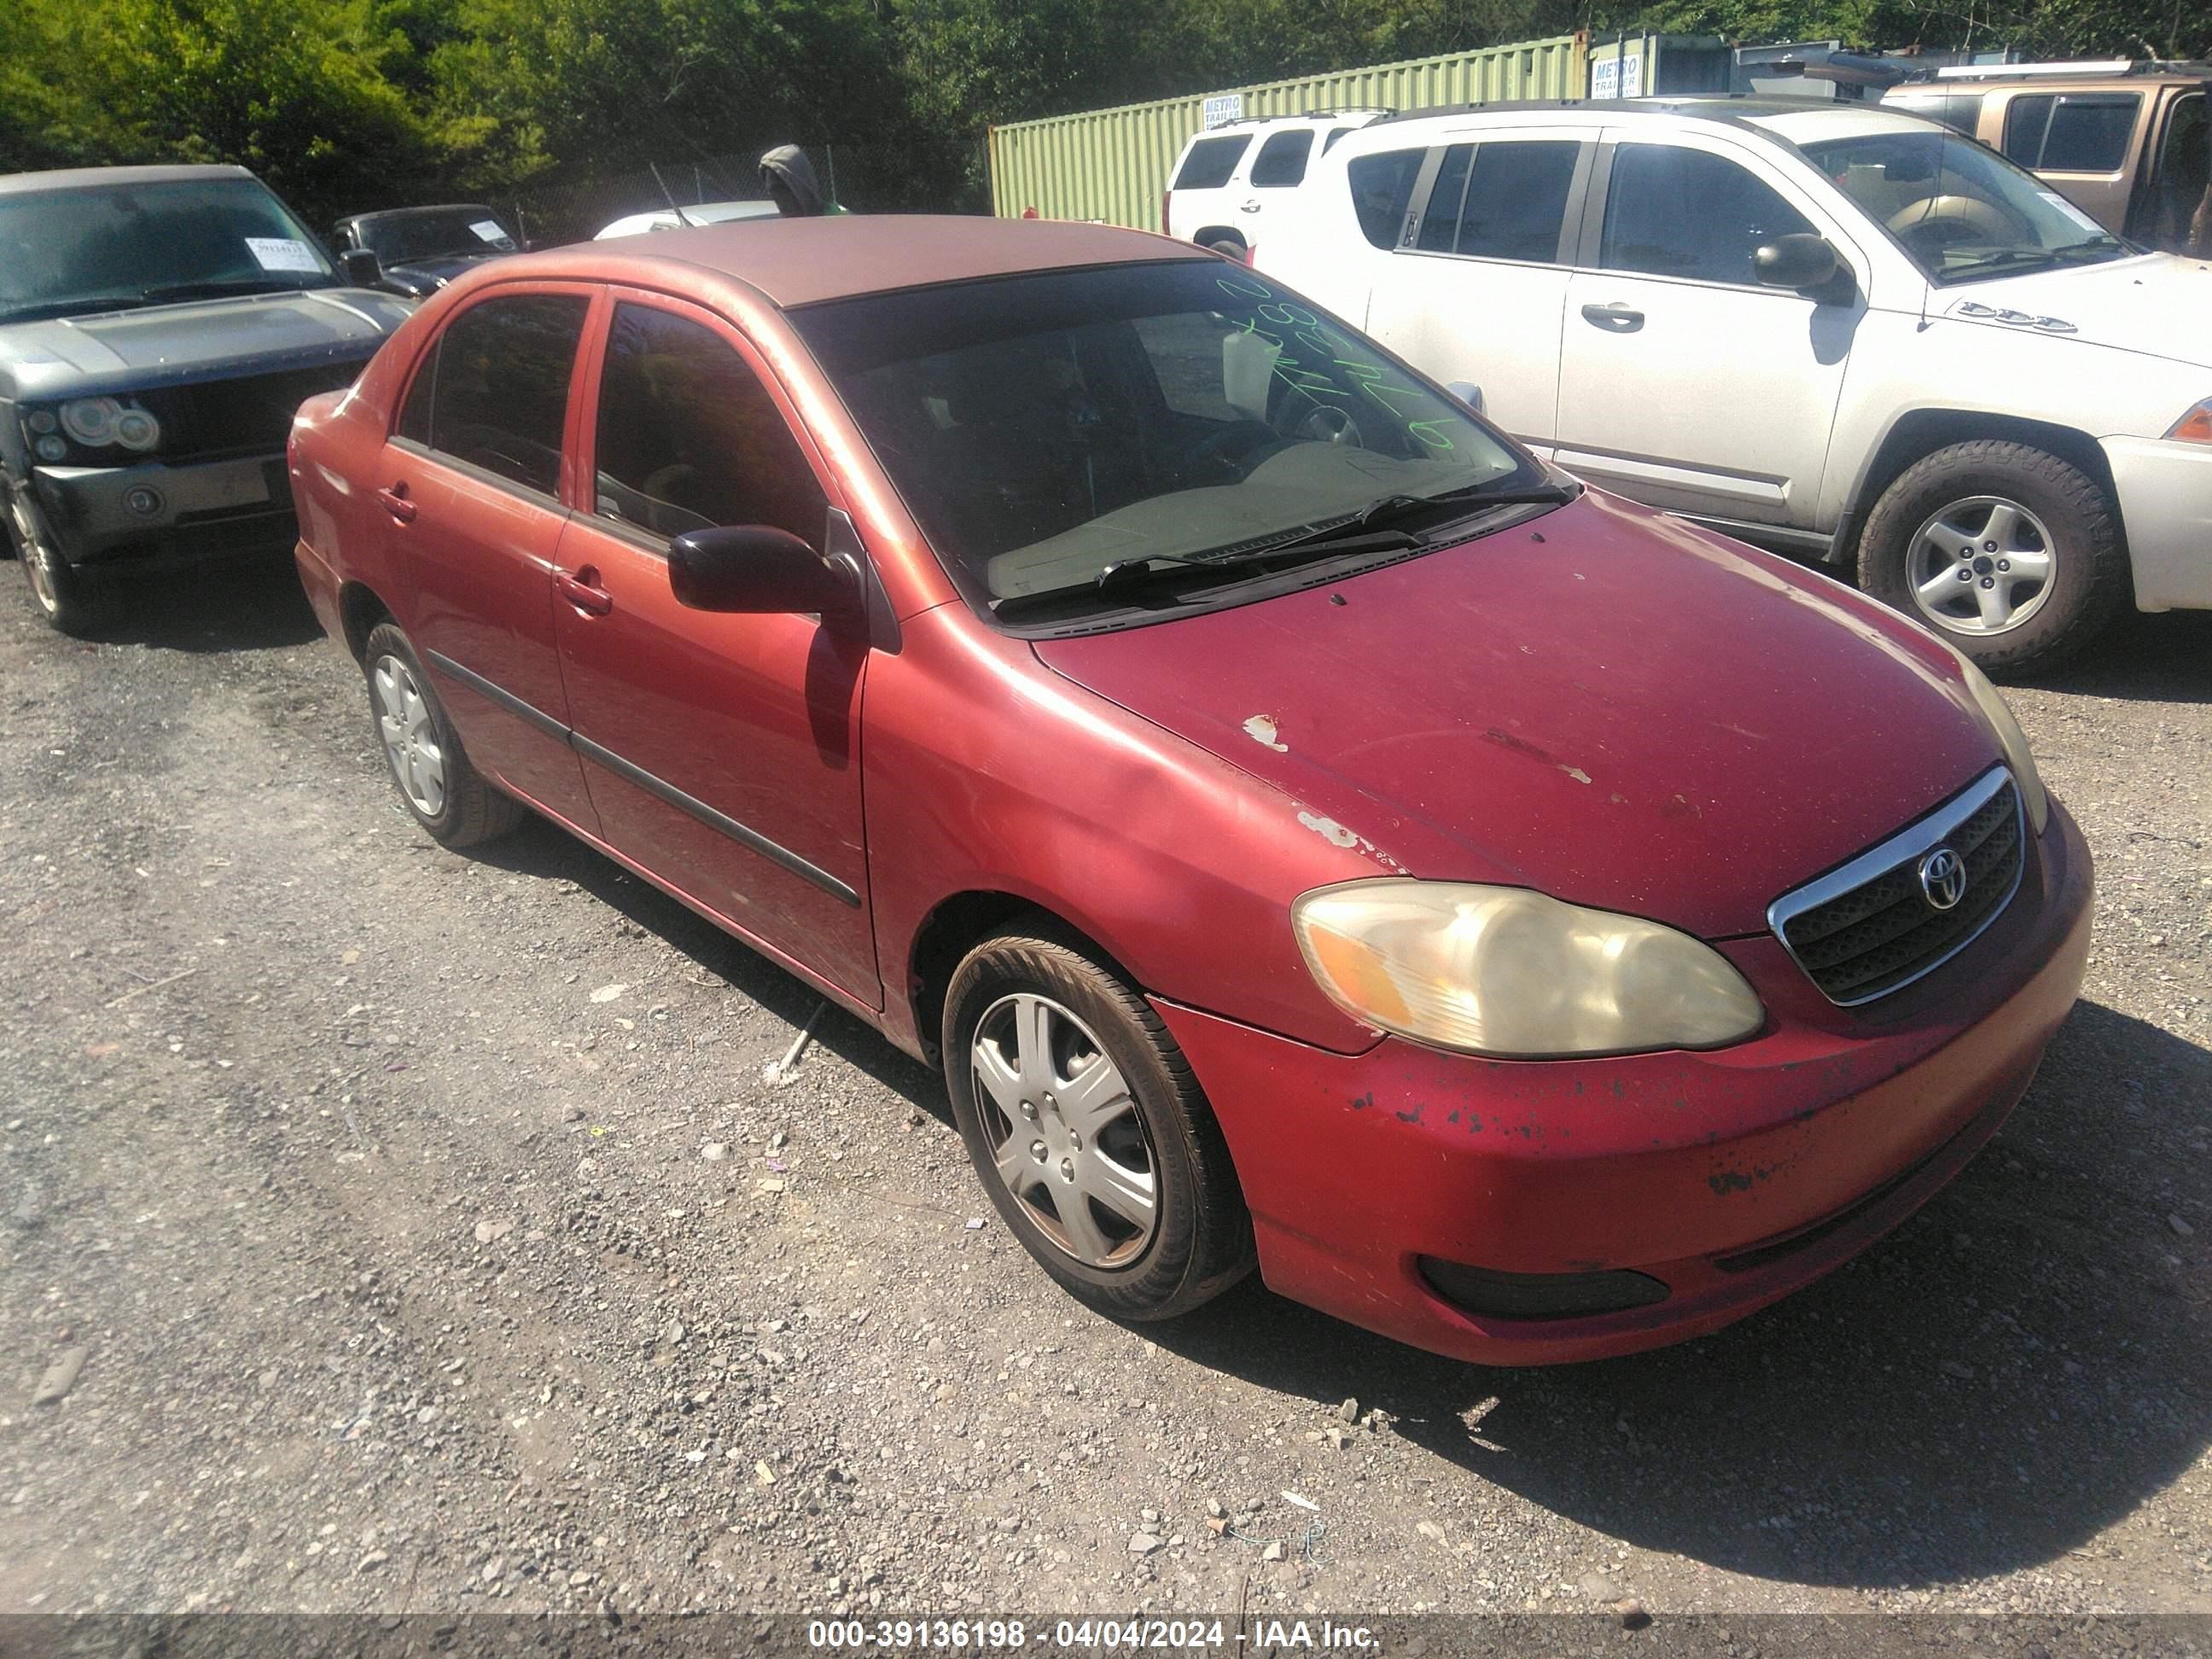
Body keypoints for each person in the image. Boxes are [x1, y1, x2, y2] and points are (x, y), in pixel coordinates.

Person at [759, 145, 845, 217]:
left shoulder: (840, 221)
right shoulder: (779, 230)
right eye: (771, 190)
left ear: (801, 185)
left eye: (780, 188)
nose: (774, 196)